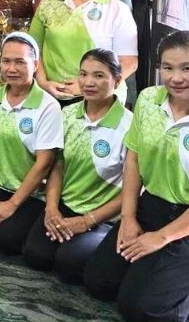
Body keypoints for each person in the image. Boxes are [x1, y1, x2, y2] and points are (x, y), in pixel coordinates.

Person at [84, 31, 189, 322]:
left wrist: (161, 237)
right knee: (98, 281)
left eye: (187, 68)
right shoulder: (148, 99)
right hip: (150, 208)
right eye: (168, 67)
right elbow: (133, 159)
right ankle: (181, 273)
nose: (176, 78)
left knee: (141, 308)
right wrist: (128, 218)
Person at [23, 49, 133, 283]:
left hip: (103, 216)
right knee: (35, 255)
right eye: (83, 74)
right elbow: (57, 166)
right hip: (65, 205)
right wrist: (51, 208)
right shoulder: (68, 114)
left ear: (117, 81)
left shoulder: (130, 127)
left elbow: (132, 190)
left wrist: (87, 221)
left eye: (99, 76)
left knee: (69, 262)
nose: (88, 82)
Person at [0, 32, 64, 254]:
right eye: (6, 61)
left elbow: (44, 163)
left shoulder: (48, 107)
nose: (12, 68)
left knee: (6, 240)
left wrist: (13, 204)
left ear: (35, 65)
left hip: (31, 192)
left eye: (20, 62)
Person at [29, 0, 138, 104]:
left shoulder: (117, 10)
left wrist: (87, 85)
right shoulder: (48, 4)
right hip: (51, 94)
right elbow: (33, 49)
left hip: (101, 98)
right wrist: (43, 82)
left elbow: (129, 62)